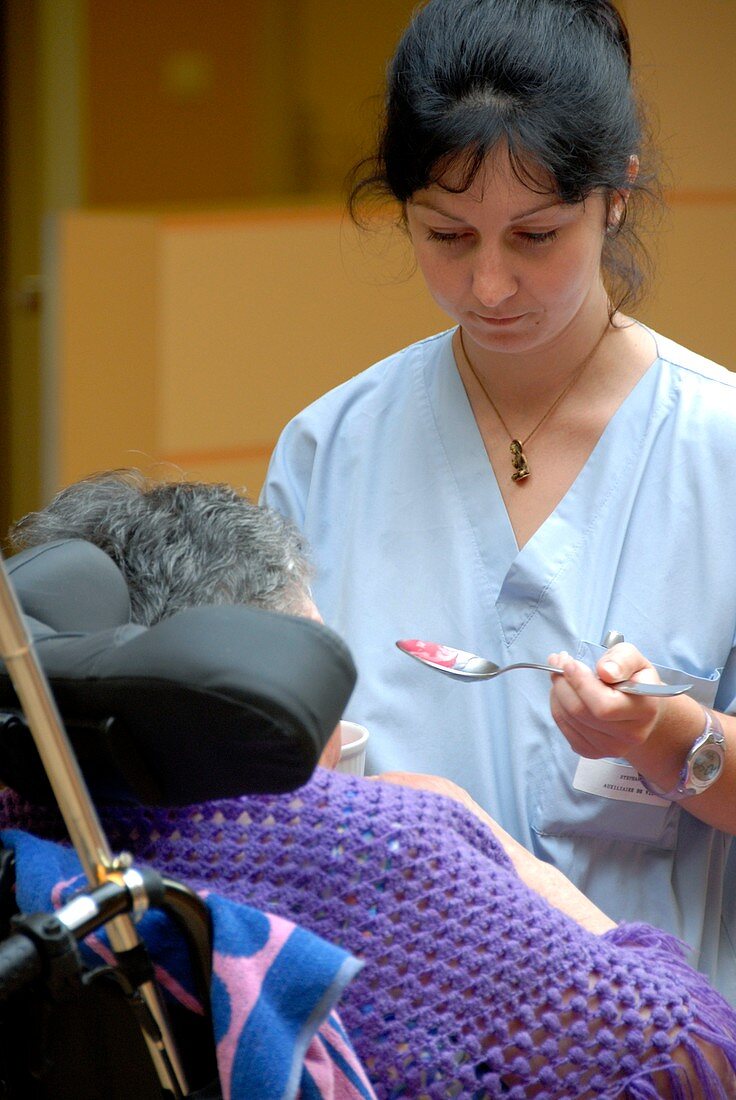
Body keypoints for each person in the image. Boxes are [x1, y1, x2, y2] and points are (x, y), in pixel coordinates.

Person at [260, 0, 736, 1004]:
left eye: (534, 234)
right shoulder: (329, 450)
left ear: (615, 194)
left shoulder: (716, 449)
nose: (487, 284)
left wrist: (669, 737)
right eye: (445, 234)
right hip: (395, 1037)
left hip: (657, 1045)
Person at [3, 471, 736, 1097]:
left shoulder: (34, 826)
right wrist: (517, 867)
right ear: (253, 667)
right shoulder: (377, 844)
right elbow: (695, 1056)